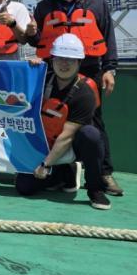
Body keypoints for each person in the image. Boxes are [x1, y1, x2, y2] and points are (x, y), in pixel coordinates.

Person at [25, 0, 122, 196]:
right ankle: (61, 171)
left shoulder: (96, 2)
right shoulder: (45, 7)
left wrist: (109, 68)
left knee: (95, 123)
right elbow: (38, 41)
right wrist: (30, 33)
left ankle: (103, 174)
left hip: (89, 68)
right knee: (52, 120)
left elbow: (108, 36)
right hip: (54, 71)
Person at [16, 34, 111, 210]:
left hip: (70, 144)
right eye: (60, 58)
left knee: (91, 135)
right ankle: (65, 173)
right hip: (45, 141)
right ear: (52, 60)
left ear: (79, 62)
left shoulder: (85, 92)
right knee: (24, 187)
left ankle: (95, 189)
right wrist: (30, 68)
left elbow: (67, 136)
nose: (64, 64)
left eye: (70, 60)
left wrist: (45, 165)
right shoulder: (42, 79)